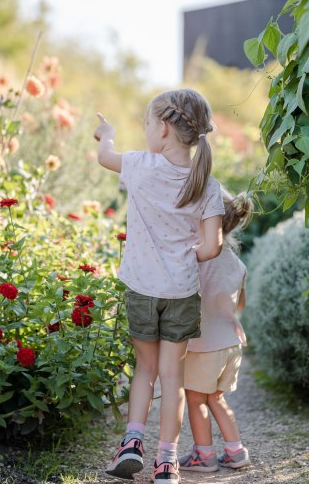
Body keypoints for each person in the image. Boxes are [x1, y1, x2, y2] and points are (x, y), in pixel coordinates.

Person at [94, 89, 225, 483]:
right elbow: (212, 246)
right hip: (181, 292)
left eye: (148, 124)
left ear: (163, 128)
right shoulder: (207, 183)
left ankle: (132, 442)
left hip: (142, 288)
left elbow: (104, 157)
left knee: (144, 370)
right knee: (173, 379)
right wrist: (184, 256)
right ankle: (166, 461)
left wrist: (108, 133)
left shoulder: (140, 165)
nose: (147, 131)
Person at [179, 190, 253, 473]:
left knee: (196, 398)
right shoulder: (237, 263)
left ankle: (204, 455)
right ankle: (236, 451)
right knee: (216, 397)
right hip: (231, 341)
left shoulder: (197, 257)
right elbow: (240, 305)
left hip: (204, 342)